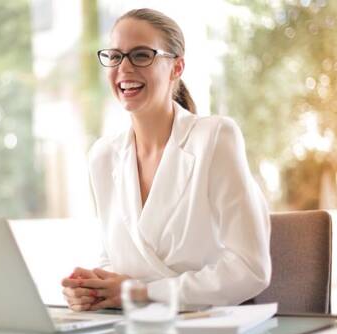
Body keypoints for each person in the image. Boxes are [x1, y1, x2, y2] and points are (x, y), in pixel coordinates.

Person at [61, 8, 271, 312]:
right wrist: (93, 288)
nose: (124, 68)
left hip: (205, 324)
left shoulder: (214, 138)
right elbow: (116, 257)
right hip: (135, 326)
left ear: (176, 67)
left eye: (142, 55)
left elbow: (251, 269)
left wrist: (141, 292)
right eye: (116, 56)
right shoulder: (102, 156)